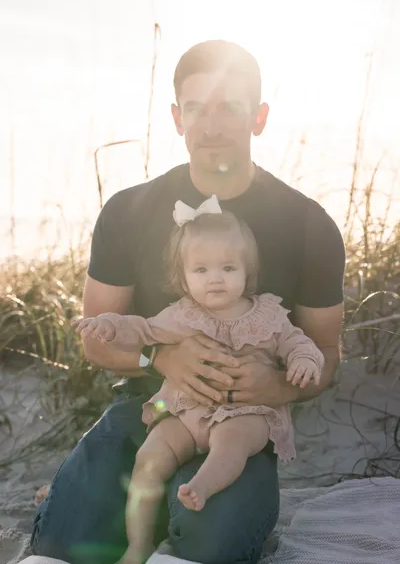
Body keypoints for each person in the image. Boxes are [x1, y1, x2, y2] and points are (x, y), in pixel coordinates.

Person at [29, 39, 345, 564]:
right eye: (196, 108)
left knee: (208, 546)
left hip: (241, 428)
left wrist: (279, 384)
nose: (211, 125)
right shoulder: (128, 211)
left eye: (229, 108)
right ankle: (86, 490)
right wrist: (160, 357)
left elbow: (327, 352)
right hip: (151, 411)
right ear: (177, 118)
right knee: (64, 544)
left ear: (259, 118)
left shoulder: (309, 224)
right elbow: (98, 341)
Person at [74, 202, 325, 564]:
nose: (216, 278)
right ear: (183, 277)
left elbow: (299, 343)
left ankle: (201, 488)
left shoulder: (268, 315)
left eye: (227, 267)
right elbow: (141, 329)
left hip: (245, 411)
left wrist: (303, 361)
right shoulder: (181, 315)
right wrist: (110, 324)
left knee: (232, 442)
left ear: (247, 271)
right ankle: (138, 543)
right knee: (149, 457)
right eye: (202, 269)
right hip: (185, 410)